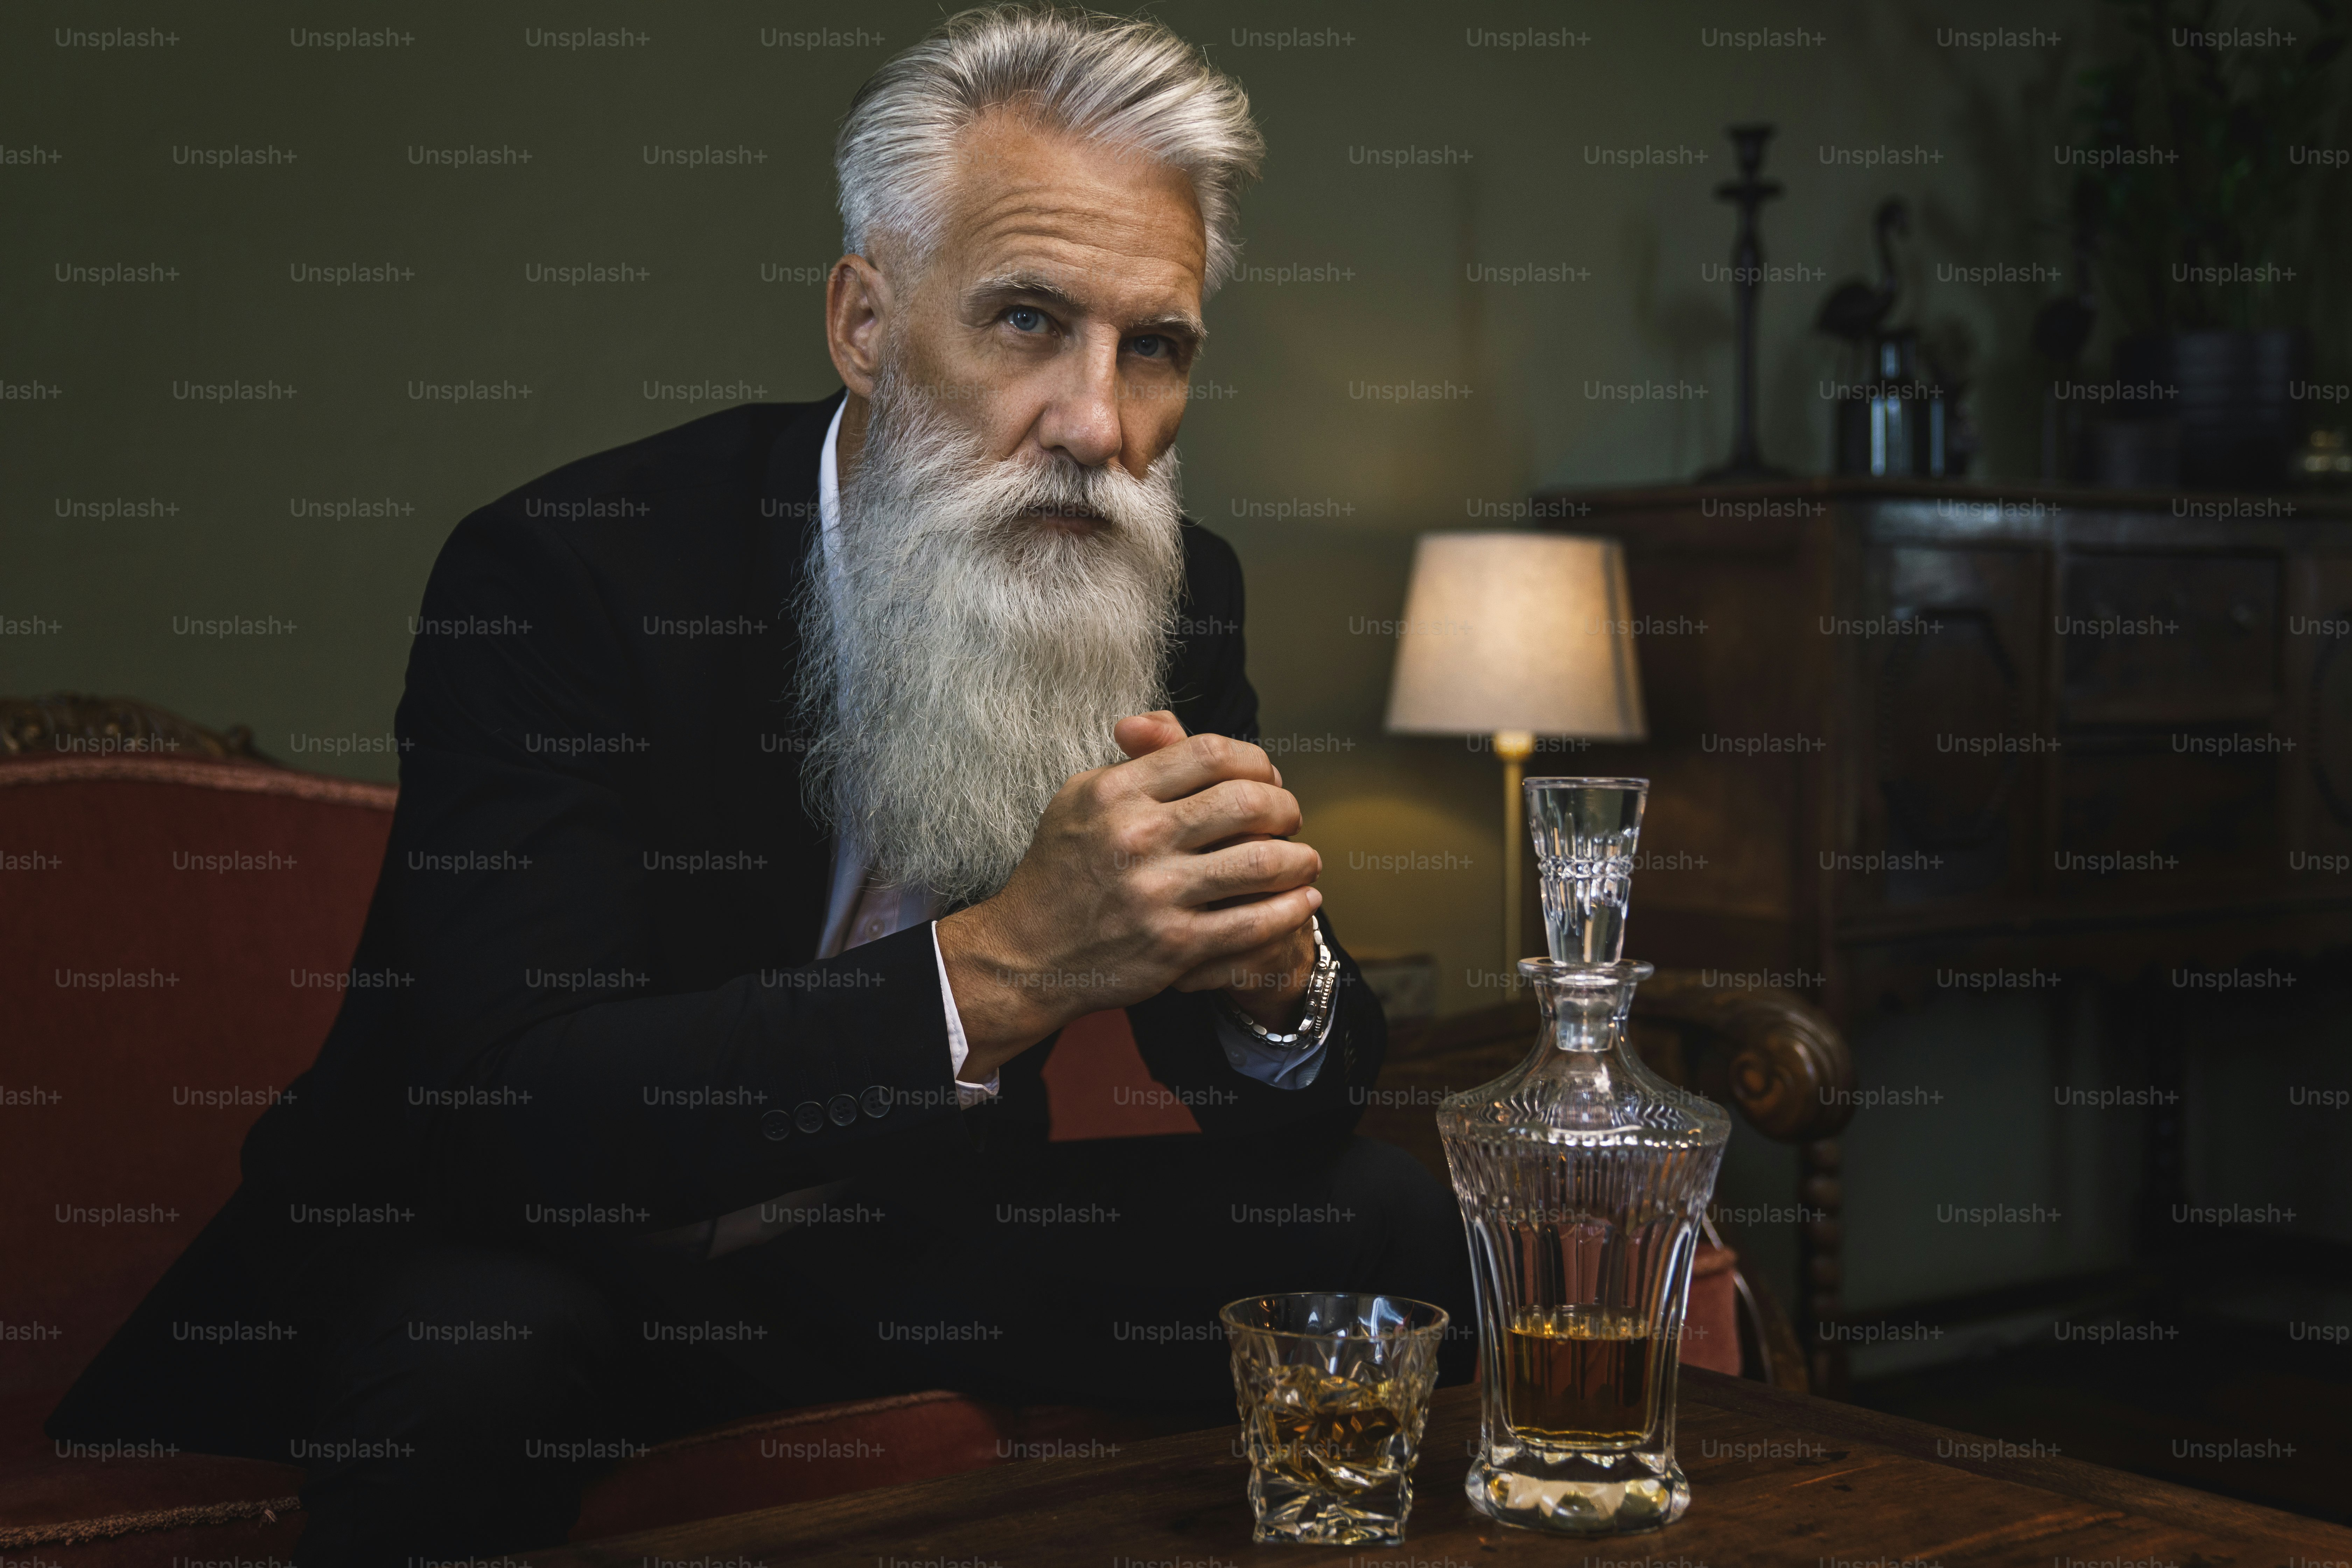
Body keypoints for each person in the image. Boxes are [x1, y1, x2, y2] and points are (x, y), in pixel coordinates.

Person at [48, 6, 1472, 1559]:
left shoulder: (1168, 589)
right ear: (865, 321)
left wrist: (1276, 993)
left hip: (885, 1257)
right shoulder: (565, 572)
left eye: (1156, 348)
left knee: (1379, 1228)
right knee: (475, 1354)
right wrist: (999, 968)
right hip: (535, 1240)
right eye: (1025, 322)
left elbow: (1274, 1110)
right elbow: (511, 1105)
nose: (1097, 425)